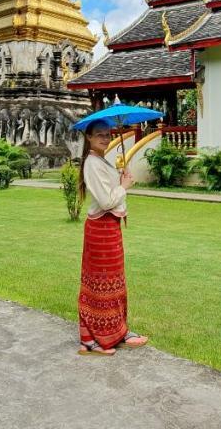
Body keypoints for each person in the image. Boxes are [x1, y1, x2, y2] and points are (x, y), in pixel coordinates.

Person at [76, 120, 149, 355]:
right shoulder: (92, 163)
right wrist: (124, 186)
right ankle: (92, 339)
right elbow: (107, 202)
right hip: (101, 230)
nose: (105, 139)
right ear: (88, 137)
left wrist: (119, 179)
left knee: (114, 282)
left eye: (107, 134)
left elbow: (108, 193)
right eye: (99, 135)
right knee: (100, 284)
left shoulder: (101, 161)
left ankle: (119, 330)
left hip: (110, 228)